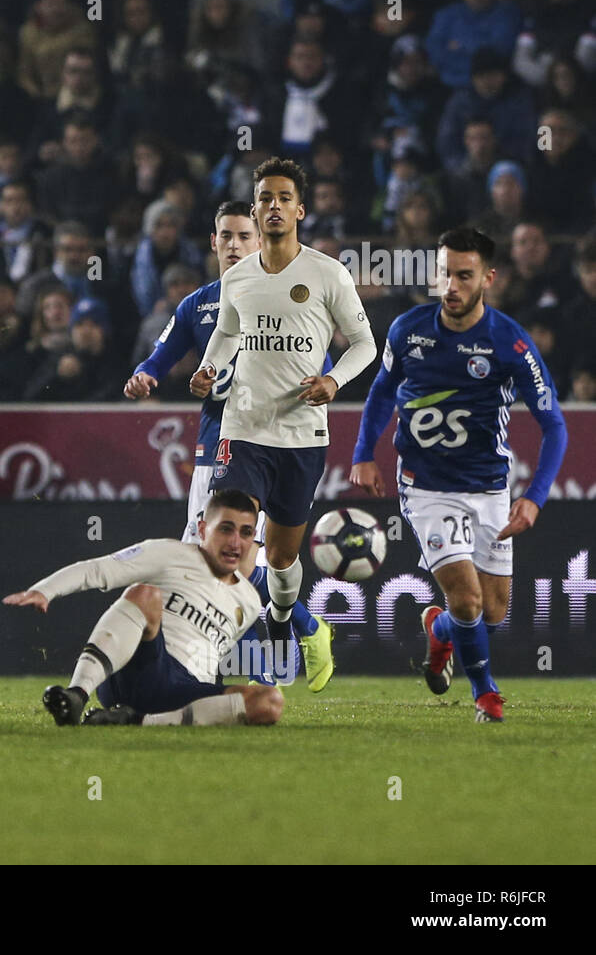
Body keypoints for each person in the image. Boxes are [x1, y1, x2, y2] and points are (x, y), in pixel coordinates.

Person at [350, 227, 568, 723]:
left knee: (492, 611)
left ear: (487, 279)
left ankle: (440, 631)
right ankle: (485, 695)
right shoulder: (408, 330)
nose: (450, 285)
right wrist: (364, 452)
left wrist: (533, 497)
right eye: (444, 273)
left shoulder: (510, 343)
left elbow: (554, 425)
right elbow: (383, 392)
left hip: (490, 486)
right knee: (467, 599)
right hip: (426, 488)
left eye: (463, 276)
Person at [127, 200, 334, 689]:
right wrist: (143, 376)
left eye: (245, 236)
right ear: (213, 243)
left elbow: (318, 367)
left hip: (270, 445)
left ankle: (269, 658)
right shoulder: (198, 304)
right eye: (227, 236)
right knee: (209, 562)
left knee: (221, 560)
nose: (235, 245)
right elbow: (161, 356)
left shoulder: (294, 298)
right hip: (213, 445)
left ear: (262, 241)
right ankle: (284, 647)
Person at [190, 157, 376, 649]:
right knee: (234, 528)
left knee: (280, 555)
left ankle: (281, 616)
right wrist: (209, 368)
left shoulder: (328, 273)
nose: (274, 206)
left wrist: (334, 382)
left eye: (284, 199)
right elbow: (228, 332)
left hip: (301, 434)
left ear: (300, 211)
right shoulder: (238, 277)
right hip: (243, 429)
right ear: (254, 211)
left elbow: (364, 344)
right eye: (266, 199)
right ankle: (211, 636)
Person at [6, 490, 283, 728]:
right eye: (226, 528)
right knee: (145, 594)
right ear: (202, 530)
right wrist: (46, 590)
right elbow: (101, 569)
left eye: (246, 533)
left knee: (269, 701)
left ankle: (136, 719)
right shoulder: (171, 553)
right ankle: (77, 695)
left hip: (184, 691)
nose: (236, 542)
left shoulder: (248, 601)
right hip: (141, 670)